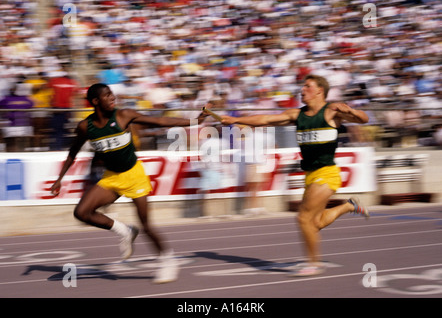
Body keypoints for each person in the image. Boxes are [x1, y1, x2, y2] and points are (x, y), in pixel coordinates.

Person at [51, 83, 209, 284]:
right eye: (107, 95)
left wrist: (193, 121)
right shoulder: (85, 126)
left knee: (147, 226)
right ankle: (124, 230)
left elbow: (160, 121)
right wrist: (59, 179)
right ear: (95, 101)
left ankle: (168, 260)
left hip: (134, 176)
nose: (113, 98)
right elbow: (73, 152)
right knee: (81, 212)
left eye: (112, 94)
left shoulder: (124, 115)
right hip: (112, 177)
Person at [219, 74, 370, 276]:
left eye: (307, 86)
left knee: (303, 218)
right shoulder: (296, 114)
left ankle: (314, 263)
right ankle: (348, 206)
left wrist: (350, 110)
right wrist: (236, 119)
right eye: (302, 86)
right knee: (314, 223)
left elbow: (364, 119)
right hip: (310, 174)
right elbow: (265, 119)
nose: (302, 90)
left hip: (328, 173)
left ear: (319, 91)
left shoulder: (332, 111)